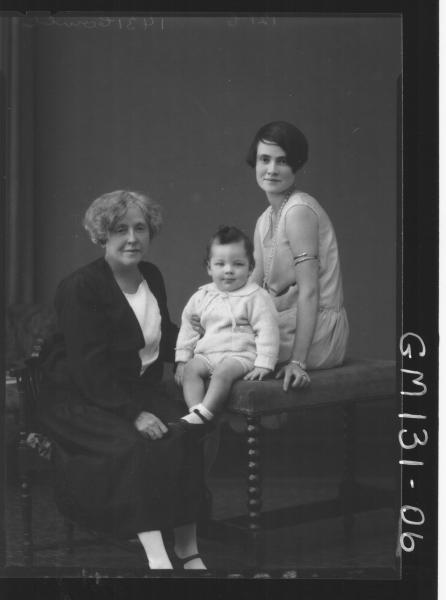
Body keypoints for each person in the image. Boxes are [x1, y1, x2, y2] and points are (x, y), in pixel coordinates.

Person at [38, 190, 206, 570]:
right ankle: (158, 557)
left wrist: (203, 354)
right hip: (78, 398)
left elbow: (167, 335)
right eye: (120, 229)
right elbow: (88, 369)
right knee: (136, 445)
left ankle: (188, 549)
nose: (132, 238)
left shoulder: (151, 276)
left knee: (185, 431)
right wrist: (135, 414)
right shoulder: (80, 287)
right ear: (102, 235)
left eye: (140, 228)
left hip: (129, 391)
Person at [246, 121, 349, 391]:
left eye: (282, 161)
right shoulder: (264, 219)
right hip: (287, 321)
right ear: (254, 162)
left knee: (231, 349)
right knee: (220, 338)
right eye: (264, 159)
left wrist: (297, 362)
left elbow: (310, 293)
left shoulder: (298, 211)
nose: (271, 169)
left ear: (296, 165)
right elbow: (253, 287)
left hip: (319, 331)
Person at [173, 226, 279, 435]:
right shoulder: (202, 296)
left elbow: (268, 329)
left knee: (222, 373)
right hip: (207, 354)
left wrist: (264, 364)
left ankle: (206, 413)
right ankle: (196, 412)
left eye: (238, 264)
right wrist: (182, 360)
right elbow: (188, 328)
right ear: (209, 268)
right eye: (220, 264)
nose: (228, 270)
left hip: (240, 355)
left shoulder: (255, 296)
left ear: (250, 268)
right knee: (191, 370)